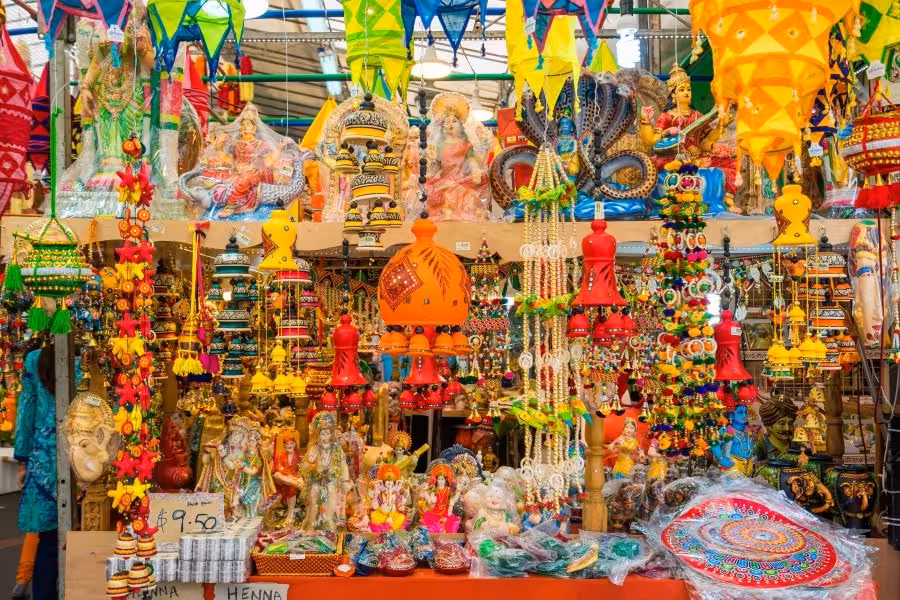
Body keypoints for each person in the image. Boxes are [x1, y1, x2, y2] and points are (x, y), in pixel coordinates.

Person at [13, 342, 79, 600]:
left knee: (48, 538)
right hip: (83, 456)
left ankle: (43, 594)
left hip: (44, 462)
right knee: (85, 531)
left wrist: (23, 458)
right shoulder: (87, 358)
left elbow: (26, 410)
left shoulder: (33, 360)